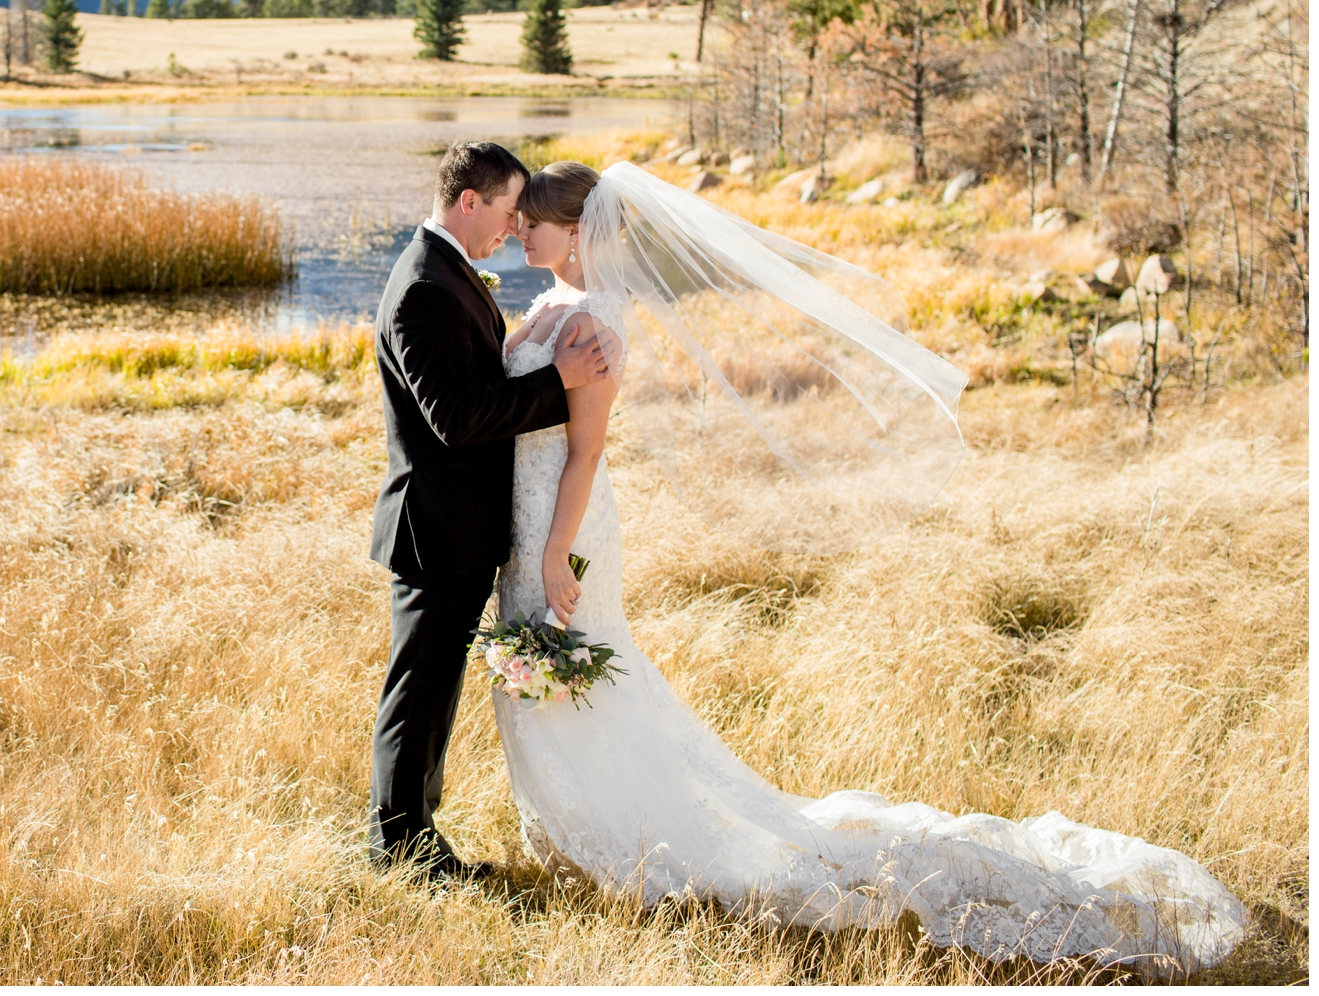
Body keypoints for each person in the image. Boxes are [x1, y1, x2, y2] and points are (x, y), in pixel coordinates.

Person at [486, 158, 1248, 974]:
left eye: (531, 220)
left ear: (575, 230)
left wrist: (559, 553)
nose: (517, 230)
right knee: (554, 670)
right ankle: (590, 826)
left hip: (560, 526)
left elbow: (588, 453)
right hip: (525, 518)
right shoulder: (555, 302)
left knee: (583, 667)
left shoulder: (594, 321)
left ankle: (635, 835)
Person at [367, 141, 610, 878]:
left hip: (461, 529)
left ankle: (412, 840)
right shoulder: (423, 286)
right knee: (418, 696)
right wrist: (557, 378)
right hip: (437, 531)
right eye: (507, 212)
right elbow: (458, 417)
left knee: (433, 693)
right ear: (468, 201)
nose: (511, 229)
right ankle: (401, 850)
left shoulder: (446, 272)